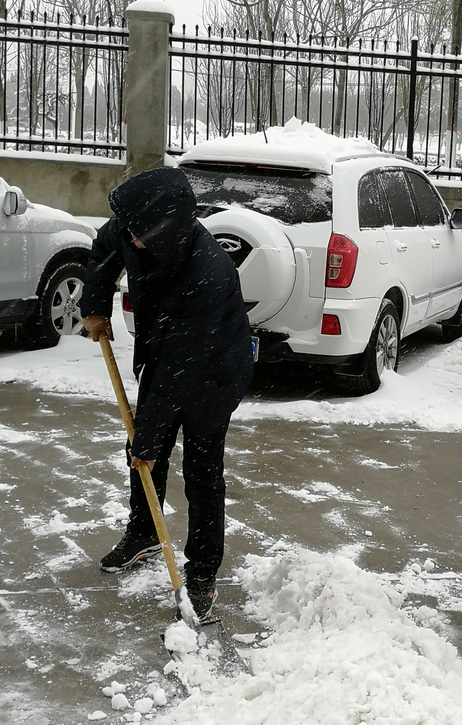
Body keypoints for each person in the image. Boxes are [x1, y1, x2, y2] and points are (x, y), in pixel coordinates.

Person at [81, 166, 254, 621]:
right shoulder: (137, 226)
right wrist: (94, 305)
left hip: (213, 371)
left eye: (139, 235)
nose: (131, 240)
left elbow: (182, 370)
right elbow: (104, 248)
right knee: (141, 449)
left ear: (167, 229)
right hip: (165, 352)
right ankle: (143, 534)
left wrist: (150, 441)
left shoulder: (208, 272)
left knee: (201, 469)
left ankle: (201, 573)